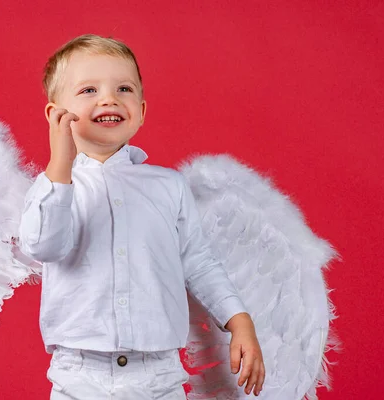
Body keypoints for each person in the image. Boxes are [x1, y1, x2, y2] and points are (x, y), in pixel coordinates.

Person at [19, 34, 265, 399]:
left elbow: (197, 262)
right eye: (88, 90)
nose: (109, 99)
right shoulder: (53, 187)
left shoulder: (168, 186)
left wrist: (239, 320)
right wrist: (60, 164)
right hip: (79, 374)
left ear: (142, 112)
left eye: (124, 88)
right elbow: (43, 245)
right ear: (56, 113)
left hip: (159, 374)